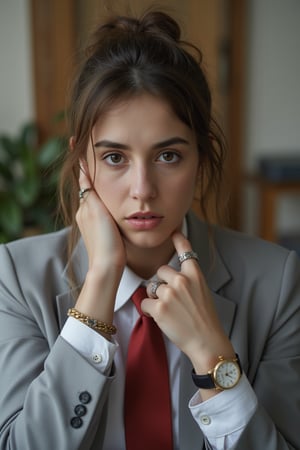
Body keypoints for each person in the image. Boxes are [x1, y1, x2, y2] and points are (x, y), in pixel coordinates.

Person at [0, 9, 299, 450]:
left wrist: (212, 356)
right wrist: (101, 281)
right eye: (115, 157)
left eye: (168, 156)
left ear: (200, 157)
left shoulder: (276, 282)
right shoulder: (18, 279)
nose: (143, 190)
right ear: (83, 163)